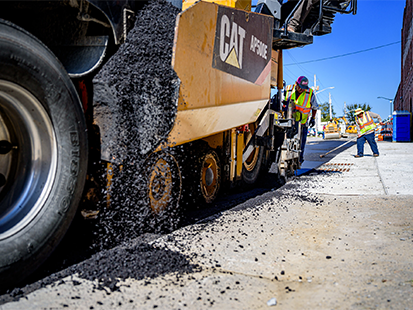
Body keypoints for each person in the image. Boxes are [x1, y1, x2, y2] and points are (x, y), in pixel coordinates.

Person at [286, 76, 318, 164]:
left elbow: (315, 107)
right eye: (300, 87)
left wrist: (313, 118)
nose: (302, 90)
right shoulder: (288, 89)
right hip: (288, 121)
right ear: (296, 84)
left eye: (304, 88)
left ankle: (299, 160)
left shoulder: (310, 93)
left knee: (301, 143)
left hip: (302, 122)